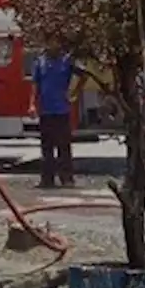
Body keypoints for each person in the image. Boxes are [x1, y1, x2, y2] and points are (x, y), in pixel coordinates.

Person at [30, 41, 85, 189]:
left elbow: (83, 75)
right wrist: (32, 104)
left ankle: (67, 178)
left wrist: (74, 93)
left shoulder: (67, 61)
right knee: (46, 147)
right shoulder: (40, 62)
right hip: (46, 110)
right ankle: (47, 179)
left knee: (64, 146)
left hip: (62, 110)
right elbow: (35, 84)